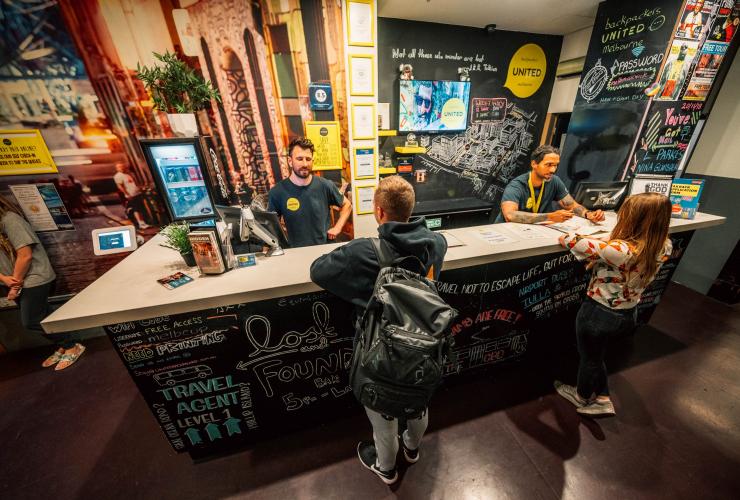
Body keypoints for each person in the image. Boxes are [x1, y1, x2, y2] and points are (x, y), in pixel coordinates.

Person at [310, 175, 447, 484]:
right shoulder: (437, 243)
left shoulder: (363, 251)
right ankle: (412, 448)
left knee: (383, 411)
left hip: (379, 347)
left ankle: (386, 468)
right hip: (425, 344)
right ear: (410, 209)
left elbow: (318, 270)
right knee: (418, 400)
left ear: (379, 211)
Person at [554, 193, 673, 417]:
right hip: (628, 312)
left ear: (635, 218)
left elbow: (569, 239)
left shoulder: (620, 250)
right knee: (596, 355)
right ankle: (602, 397)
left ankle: (581, 395)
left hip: (598, 313)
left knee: (589, 357)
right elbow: (612, 243)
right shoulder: (663, 245)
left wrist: (584, 236)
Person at [0, 195, 85, 370]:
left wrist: (15, 286)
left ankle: (71, 345)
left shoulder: (10, 220)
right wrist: (3, 278)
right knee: (44, 316)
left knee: (31, 321)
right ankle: (63, 345)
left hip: (33, 278)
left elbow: (25, 255)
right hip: (13, 281)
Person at [268, 138, 352, 248]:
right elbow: (271, 226)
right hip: (296, 251)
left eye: (308, 159)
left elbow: (347, 205)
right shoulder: (277, 192)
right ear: (290, 161)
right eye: (299, 159)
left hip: (324, 250)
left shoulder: (325, 185)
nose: (305, 164)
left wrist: (337, 228)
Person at [495, 145, 605, 224]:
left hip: (532, 231)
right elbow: (510, 215)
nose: (553, 170)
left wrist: (588, 214)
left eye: (555, 165)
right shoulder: (516, 185)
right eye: (548, 165)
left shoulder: (554, 181)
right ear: (534, 164)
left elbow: (571, 205)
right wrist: (549, 217)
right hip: (505, 232)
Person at [113, 162, 150, 230]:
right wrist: (127, 194)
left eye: (123, 166)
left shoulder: (127, 174)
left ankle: (143, 222)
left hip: (137, 193)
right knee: (136, 208)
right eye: (120, 167)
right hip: (131, 194)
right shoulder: (118, 176)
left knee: (140, 208)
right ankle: (141, 223)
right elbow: (120, 186)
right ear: (117, 168)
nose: (122, 168)